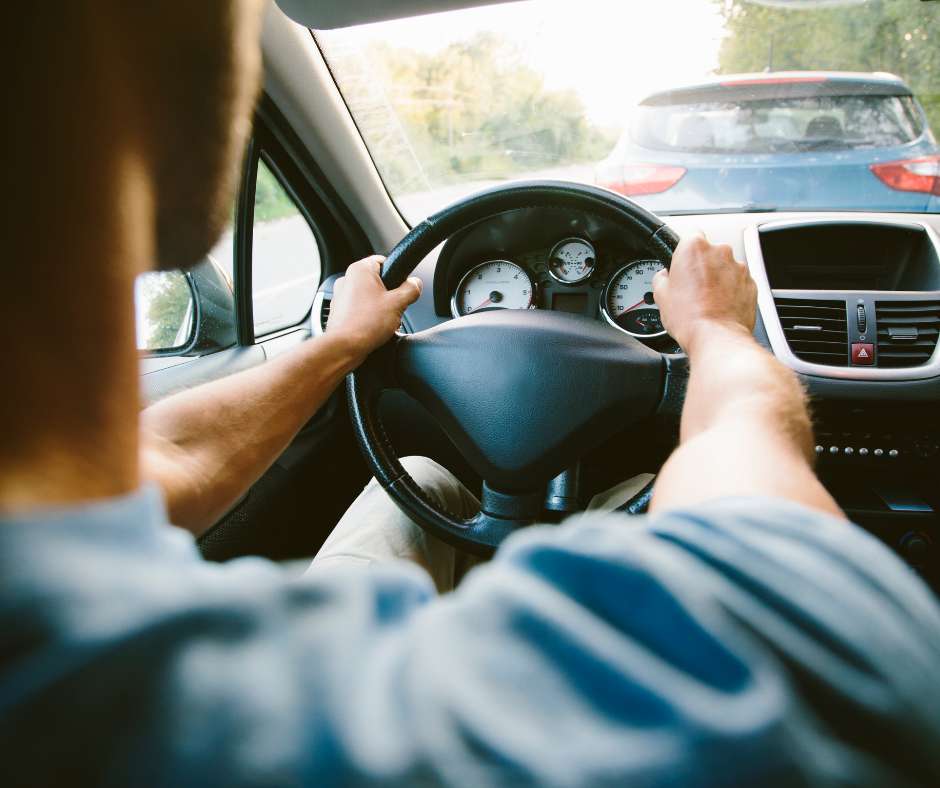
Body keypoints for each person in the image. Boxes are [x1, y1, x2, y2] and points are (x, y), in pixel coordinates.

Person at [3, 1, 940, 785]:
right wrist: (716, 333)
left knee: (421, 477)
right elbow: (761, 482)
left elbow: (168, 455)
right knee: (590, 496)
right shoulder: (726, 685)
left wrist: (342, 348)